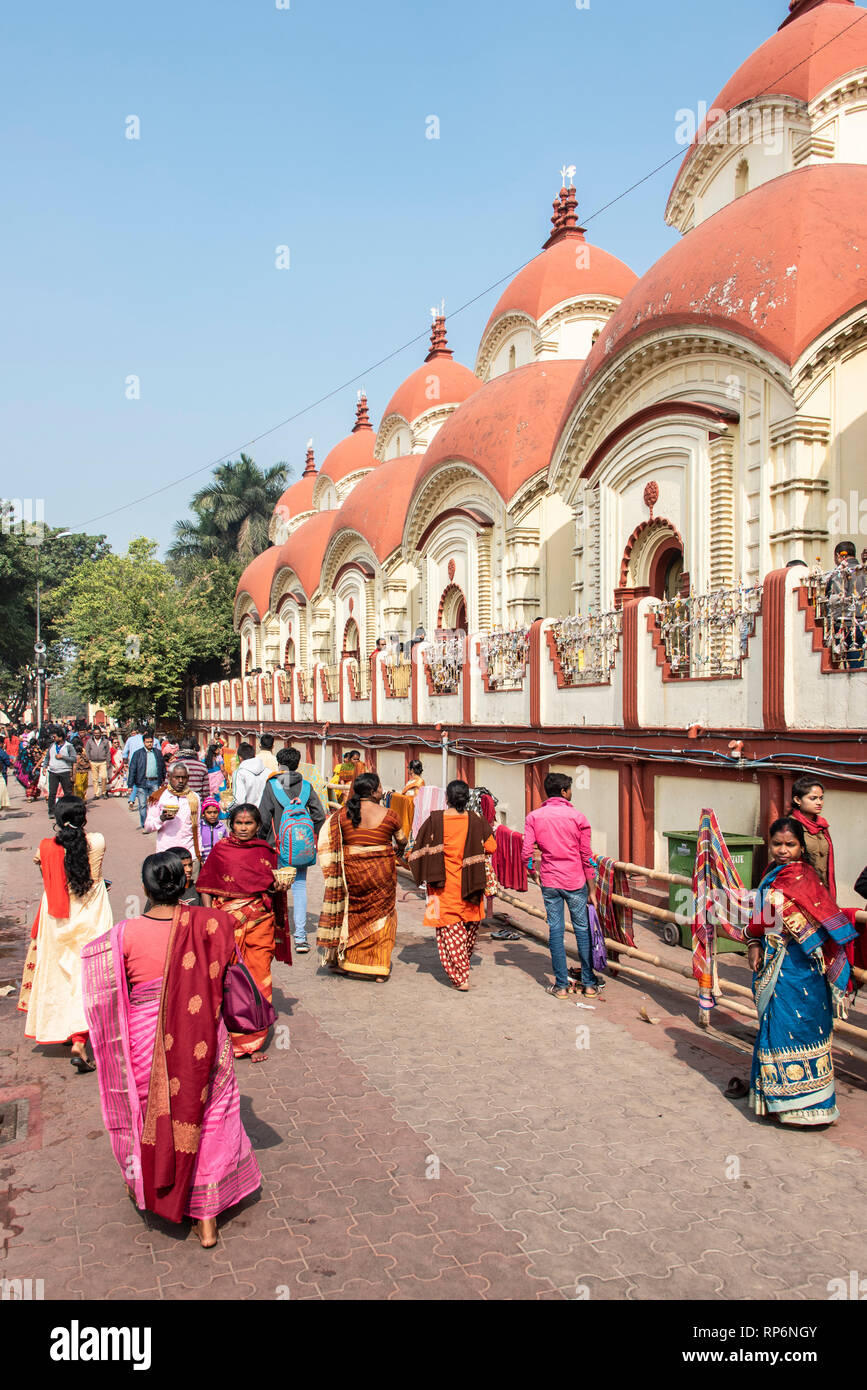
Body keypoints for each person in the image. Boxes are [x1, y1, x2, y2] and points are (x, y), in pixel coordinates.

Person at [82, 852, 261, 1246]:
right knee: (211, 1118)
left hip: (146, 1041)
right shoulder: (213, 923)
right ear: (184, 885)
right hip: (204, 1039)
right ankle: (207, 1215)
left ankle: (153, 1187)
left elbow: (105, 993)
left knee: (153, 1116)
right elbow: (230, 970)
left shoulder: (123, 934)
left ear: (145, 888)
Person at [745, 817, 856, 1127]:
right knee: (774, 1026)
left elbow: (826, 919)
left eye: (790, 845)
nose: (783, 850)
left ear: (801, 847)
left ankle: (811, 1107)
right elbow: (762, 918)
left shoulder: (806, 878)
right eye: (777, 844)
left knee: (804, 1027)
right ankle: (777, 1102)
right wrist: (754, 943)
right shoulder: (771, 874)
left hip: (802, 967)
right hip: (775, 963)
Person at [18, 797, 112, 1072]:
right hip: (92, 915)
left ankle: (69, 1032)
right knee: (87, 976)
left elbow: (46, 869)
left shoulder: (46, 847)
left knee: (61, 975)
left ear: (58, 821)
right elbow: (90, 872)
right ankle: (80, 1040)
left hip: (58, 917)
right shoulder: (98, 841)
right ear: (84, 818)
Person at [197, 804, 283, 1060]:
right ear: (231, 824)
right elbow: (205, 886)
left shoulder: (266, 852)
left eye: (249, 824)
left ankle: (253, 1041)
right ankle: (228, 1037)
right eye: (238, 823)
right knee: (229, 981)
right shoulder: (221, 850)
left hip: (259, 922)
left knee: (258, 975)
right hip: (226, 925)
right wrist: (211, 919)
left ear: (257, 826)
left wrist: (278, 887)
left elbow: (272, 888)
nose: (243, 828)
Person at [317, 772, 405, 981]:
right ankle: (377, 968)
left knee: (352, 913)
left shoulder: (341, 815)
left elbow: (326, 841)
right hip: (381, 873)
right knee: (382, 916)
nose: (383, 791)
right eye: (380, 787)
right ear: (374, 792)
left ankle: (346, 961)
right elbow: (402, 840)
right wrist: (398, 851)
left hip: (351, 873)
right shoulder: (390, 815)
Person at [409, 779, 496, 992]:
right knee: (467, 929)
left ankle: (460, 975)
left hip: (440, 886)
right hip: (472, 884)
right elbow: (492, 847)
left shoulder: (435, 819)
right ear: (467, 799)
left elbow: (418, 849)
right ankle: (462, 964)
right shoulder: (477, 819)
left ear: (447, 798)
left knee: (447, 930)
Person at [522, 771, 601, 999]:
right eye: (570, 790)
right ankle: (588, 984)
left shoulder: (534, 817)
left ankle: (561, 987)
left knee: (555, 931)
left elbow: (526, 852)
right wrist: (592, 889)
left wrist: (532, 872)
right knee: (582, 930)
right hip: (575, 881)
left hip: (550, 881)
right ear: (564, 792)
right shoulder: (578, 817)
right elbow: (587, 856)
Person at [258, 747, 326, 954]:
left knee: (275, 888)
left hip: (276, 846)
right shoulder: (306, 786)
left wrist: (261, 842)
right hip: (300, 849)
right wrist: (310, 839)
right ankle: (300, 937)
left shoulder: (273, 786)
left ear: (280, 764)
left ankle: (274, 933)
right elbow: (320, 816)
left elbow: (263, 818)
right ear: (298, 764)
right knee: (299, 888)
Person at [143, 762, 202, 870]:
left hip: (189, 854)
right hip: (166, 855)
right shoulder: (159, 797)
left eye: (183, 778)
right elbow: (147, 827)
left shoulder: (194, 798)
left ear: (188, 778)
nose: (180, 781)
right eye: (177, 777)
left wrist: (199, 852)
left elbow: (197, 827)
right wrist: (161, 819)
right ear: (169, 777)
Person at [789, 776, 836, 898]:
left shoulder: (822, 826)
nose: (819, 802)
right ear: (797, 800)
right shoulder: (790, 826)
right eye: (813, 798)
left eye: (821, 798)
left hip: (822, 890)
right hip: (801, 890)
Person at [825, 540, 867, 670]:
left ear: (839, 556)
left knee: (837, 666)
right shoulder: (863, 571)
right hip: (862, 624)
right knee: (856, 664)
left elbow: (831, 598)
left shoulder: (838, 573)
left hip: (842, 625)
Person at [129, 733, 167, 830]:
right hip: (142, 782)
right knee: (142, 805)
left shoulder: (158, 753)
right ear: (143, 742)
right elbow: (132, 769)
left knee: (154, 804)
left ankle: (153, 823)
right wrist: (130, 784)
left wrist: (163, 780)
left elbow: (162, 767)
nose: (149, 744)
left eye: (151, 742)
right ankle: (144, 824)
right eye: (147, 742)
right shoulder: (138, 754)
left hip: (154, 782)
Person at [46, 728, 76, 821]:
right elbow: (47, 757)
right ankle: (51, 811)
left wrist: (62, 757)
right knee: (52, 793)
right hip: (53, 771)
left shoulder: (69, 746)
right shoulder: (52, 746)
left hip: (64, 771)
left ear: (61, 737)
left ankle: (68, 810)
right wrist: (44, 766)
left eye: (54, 736)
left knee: (67, 792)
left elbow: (74, 759)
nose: (53, 738)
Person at [231, 742, 271, 808]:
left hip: (248, 813)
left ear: (240, 757)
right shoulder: (268, 771)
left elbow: (239, 801)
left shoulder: (239, 773)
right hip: (266, 813)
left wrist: (228, 809)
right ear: (254, 755)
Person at [121, 725, 145, 808]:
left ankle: (131, 800)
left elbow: (125, 752)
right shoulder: (149, 740)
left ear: (137, 731)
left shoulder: (130, 739)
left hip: (133, 764)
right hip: (144, 764)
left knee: (134, 782)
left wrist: (125, 763)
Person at [200, 796, 229, 862]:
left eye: (215, 812)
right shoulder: (200, 826)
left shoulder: (221, 827)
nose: (212, 815)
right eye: (209, 812)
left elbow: (226, 842)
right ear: (203, 813)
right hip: (203, 859)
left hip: (218, 859)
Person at [85, 726, 111, 799]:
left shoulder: (105, 741)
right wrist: (89, 760)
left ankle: (103, 792)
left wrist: (108, 761)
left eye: (98, 733)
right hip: (93, 762)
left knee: (104, 777)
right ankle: (96, 794)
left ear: (101, 733)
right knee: (95, 779)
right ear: (93, 734)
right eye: (95, 733)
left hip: (103, 761)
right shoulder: (90, 741)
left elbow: (108, 752)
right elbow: (87, 751)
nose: (96, 735)